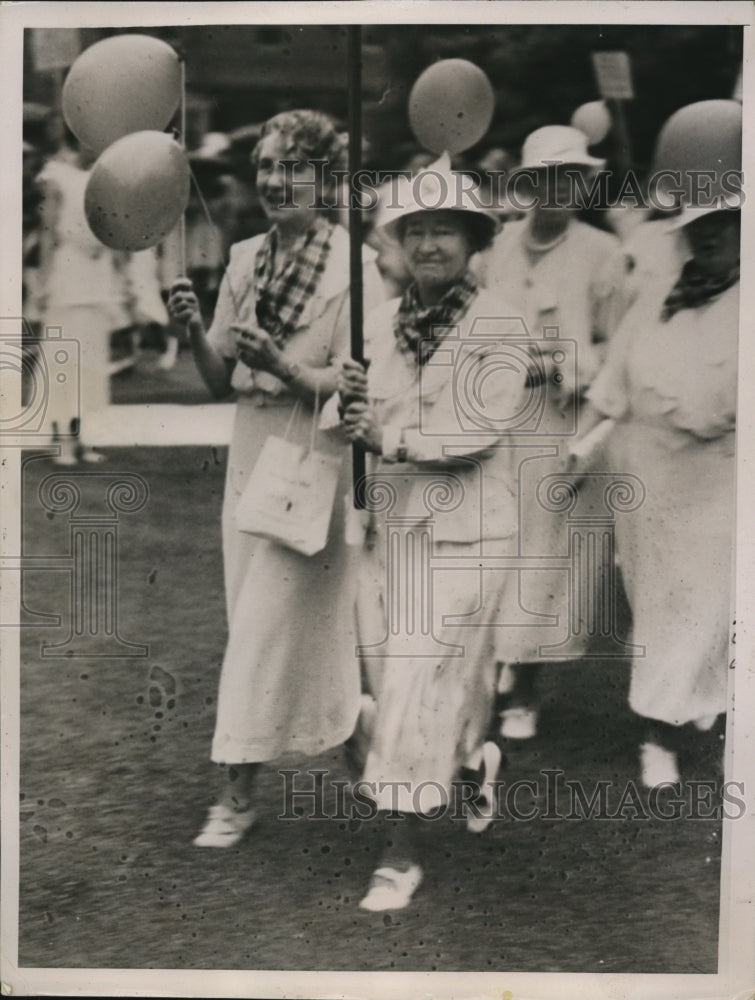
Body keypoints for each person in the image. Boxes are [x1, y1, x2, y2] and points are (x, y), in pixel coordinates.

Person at [167, 109, 385, 847]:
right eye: (266, 167)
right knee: (264, 626)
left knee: (260, 634)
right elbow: (216, 381)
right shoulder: (242, 258)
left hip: (315, 468)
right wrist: (194, 328)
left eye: (292, 167)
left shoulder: (352, 266)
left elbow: (354, 386)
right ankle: (366, 745)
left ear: (324, 179)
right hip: (252, 458)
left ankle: (234, 796)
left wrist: (284, 367)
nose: (274, 180)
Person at [339, 155, 527, 911]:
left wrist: (388, 439)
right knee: (400, 688)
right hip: (394, 530)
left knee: (417, 682)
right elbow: (348, 421)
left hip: (471, 531)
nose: (427, 245)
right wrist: (347, 403)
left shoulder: (499, 326)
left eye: (442, 229)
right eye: (413, 230)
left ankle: (399, 853)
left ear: (472, 239)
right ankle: (472, 759)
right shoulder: (378, 324)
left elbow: (476, 433)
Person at [579, 163, 740, 788]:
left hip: (721, 476)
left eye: (724, 227)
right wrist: (578, 442)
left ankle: (697, 716)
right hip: (649, 475)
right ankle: (658, 731)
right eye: (701, 228)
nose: (710, 238)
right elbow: (612, 383)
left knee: (713, 604)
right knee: (663, 608)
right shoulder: (658, 298)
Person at [478, 125, 630, 740]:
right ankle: (496, 671)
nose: (558, 188)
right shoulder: (495, 248)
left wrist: (564, 361)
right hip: (498, 423)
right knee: (495, 548)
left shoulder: (603, 253)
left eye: (570, 176)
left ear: (584, 183)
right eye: (545, 177)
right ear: (528, 183)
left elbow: (619, 348)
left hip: (564, 424)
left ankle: (527, 689)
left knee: (548, 559)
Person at [36, 131, 132, 464]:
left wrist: (123, 276)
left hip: (98, 276)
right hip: (68, 274)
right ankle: (60, 438)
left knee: (90, 362)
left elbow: (114, 227)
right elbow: (48, 233)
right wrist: (43, 284)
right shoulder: (56, 174)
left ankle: (81, 436)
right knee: (63, 358)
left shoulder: (106, 177)